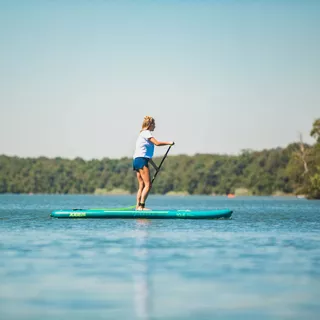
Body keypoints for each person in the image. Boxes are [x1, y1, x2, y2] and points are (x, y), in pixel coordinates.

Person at [133, 116, 174, 210]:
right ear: (150, 125)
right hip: (141, 161)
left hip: (137, 160)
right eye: (154, 124)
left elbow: (145, 155)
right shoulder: (146, 133)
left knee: (142, 185)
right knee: (148, 185)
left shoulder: (141, 134)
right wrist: (169, 142)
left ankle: (137, 206)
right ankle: (141, 207)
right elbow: (157, 143)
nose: (155, 126)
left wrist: (155, 167)